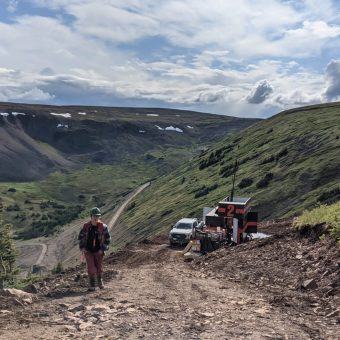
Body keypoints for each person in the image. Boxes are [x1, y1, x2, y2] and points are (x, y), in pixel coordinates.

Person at [78, 207, 111, 291]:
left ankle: (100, 283)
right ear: (91, 216)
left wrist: (102, 249)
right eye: (94, 216)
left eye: (97, 216)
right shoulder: (86, 226)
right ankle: (92, 285)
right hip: (88, 251)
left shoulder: (103, 227)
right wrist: (82, 248)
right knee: (91, 268)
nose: (96, 218)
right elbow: (81, 238)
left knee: (99, 268)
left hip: (99, 251)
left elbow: (108, 239)